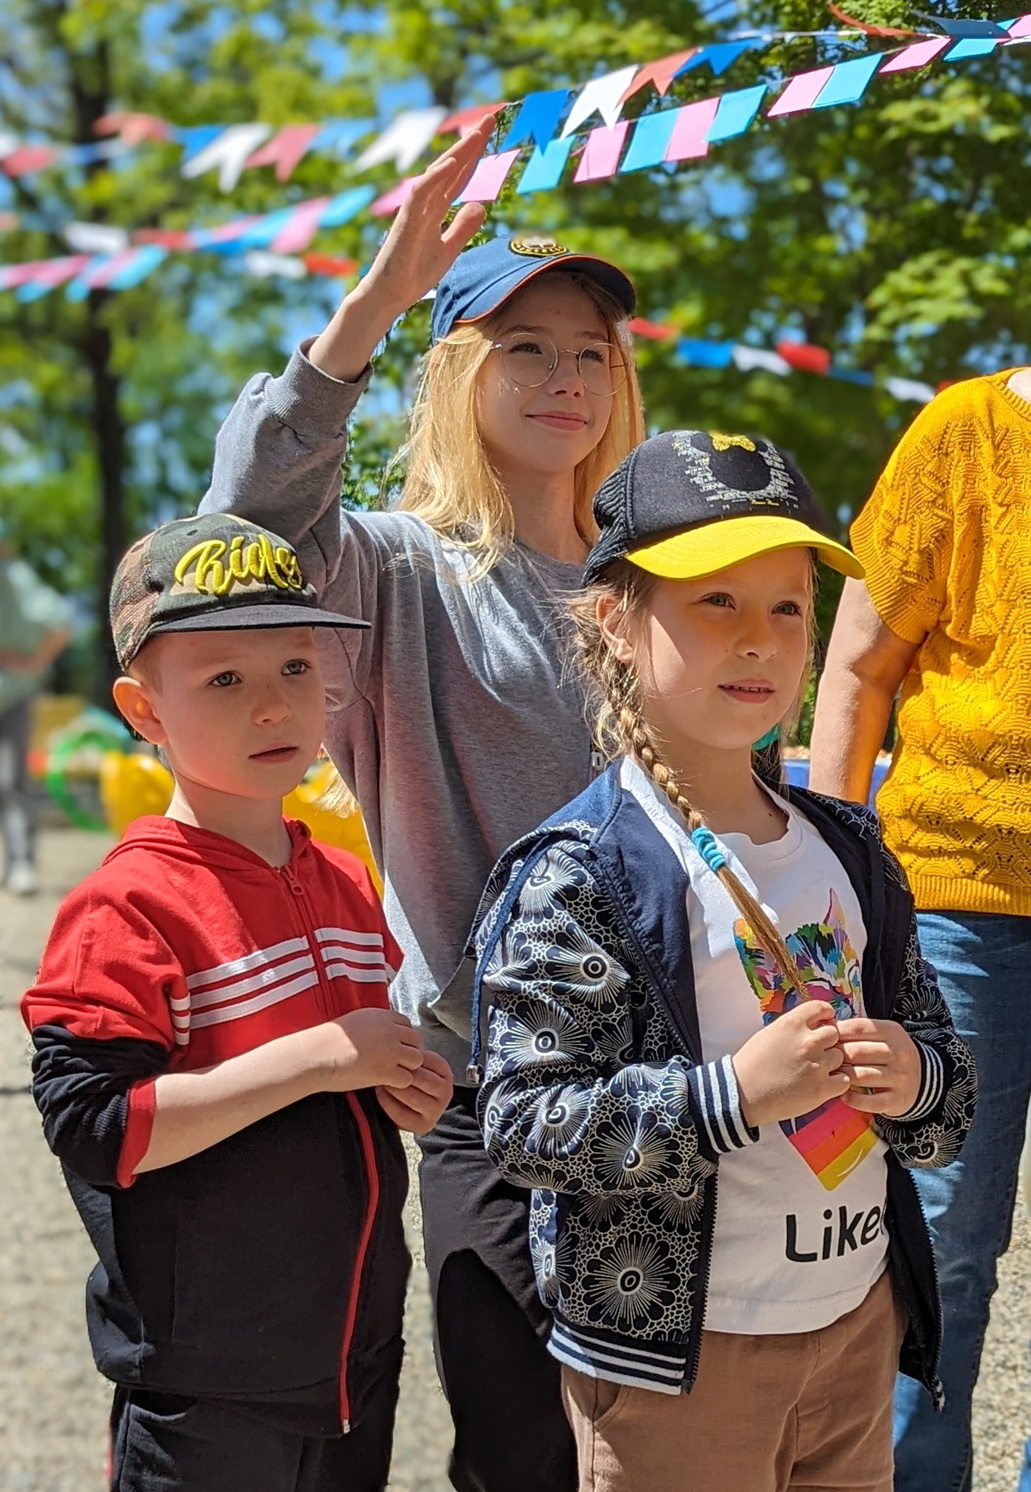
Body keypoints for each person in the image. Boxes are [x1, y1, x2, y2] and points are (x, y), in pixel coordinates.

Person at [200, 116, 645, 1492]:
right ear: (455, 369)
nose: (563, 376)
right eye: (524, 346)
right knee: (520, 1450)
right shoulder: (392, 571)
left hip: (674, 1070)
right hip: (483, 1084)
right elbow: (248, 527)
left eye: (590, 351)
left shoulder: (656, 578)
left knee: (662, 1443)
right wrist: (372, 306)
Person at [469, 430, 977, 1492]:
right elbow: (522, 1123)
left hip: (853, 1326)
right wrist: (732, 1097)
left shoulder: (851, 848)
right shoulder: (579, 870)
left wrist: (912, 1076)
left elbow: (945, 1091)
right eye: (715, 602)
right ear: (612, 622)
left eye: (786, 607)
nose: (759, 640)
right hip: (679, 1368)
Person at [21, 512, 453, 1492]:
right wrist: (322, 1057)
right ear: (143, 710)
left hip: (352, 1355)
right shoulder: (125, 904)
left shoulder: (345, 879)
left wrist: (397, 1088)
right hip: (206, 1391)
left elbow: (352, 1075)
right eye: (224, 678)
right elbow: (96, 1128)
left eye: (295, 667)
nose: (272, 705)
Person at [808, 367, 1031, 1492]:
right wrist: (833, 884)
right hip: (954, 900)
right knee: (941, 1245)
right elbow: (857, 666)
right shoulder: (967, 429)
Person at [0, 532, 72, 895]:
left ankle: (21, 862)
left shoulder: (15, 578)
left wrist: (34, 664)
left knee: (11, 780)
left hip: (11, 697)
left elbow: (61, 623)